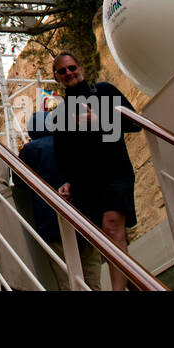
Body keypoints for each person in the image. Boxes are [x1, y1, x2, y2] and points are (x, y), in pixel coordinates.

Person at [50, 51, 142, 291]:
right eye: (63, 70)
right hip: (85, 185)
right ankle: (143, 285)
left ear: (80, 67)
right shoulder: (59, 115)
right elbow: (63, 157)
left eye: (71, 67)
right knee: (110, 242)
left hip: (115, 174)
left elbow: (134, 123)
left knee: (112, 229)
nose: (69, 73)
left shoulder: (104, 92)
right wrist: (66, 182)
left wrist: (100, 119)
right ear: (57, 77)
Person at [16, 110, 101, 290]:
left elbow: (19, 182)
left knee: (67, 279)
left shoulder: (31, 150)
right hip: (85, 217)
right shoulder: (72, 141)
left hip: (52, 222)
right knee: (91, 275)